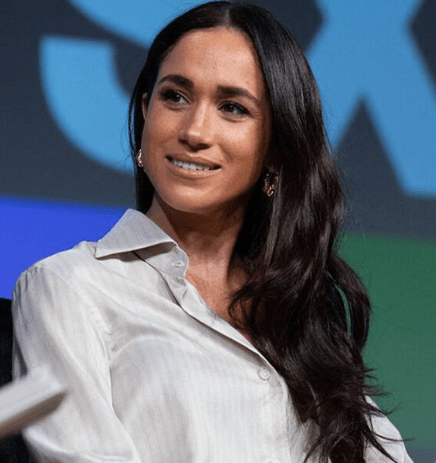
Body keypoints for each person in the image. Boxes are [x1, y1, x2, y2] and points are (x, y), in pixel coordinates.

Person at [12, 2, 413, 462]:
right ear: (145, 112)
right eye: (175, 97)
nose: (196, 131)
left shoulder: (302, 319)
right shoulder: (69, 287)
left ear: (275, 149)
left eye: (233, 108)